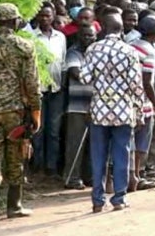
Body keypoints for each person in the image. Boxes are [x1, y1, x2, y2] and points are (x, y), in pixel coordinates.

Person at [0, 3, 42, 225]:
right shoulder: (24, 46)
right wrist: (35, 112)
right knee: (16, 157)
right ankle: (14, 206)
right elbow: (32, 84)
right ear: (15, 21)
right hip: (16, 111)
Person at [80, 13, 144, 212]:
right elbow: (136, 85)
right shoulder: (129, 51)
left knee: (98, 155)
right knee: (121, 154)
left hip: (99, 109)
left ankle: (97, 200)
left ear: (103, 29)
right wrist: (139, 109)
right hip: (122, 110)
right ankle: (119, 198)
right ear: (121, 29)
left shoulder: (93, 49)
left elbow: (84, 77)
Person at [129, 14, 155, 188]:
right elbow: (147, 82)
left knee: (130, 141)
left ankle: (132, 175)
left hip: (127, 101)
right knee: (142, 142)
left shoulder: (130, 46)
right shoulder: (149, 51)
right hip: (143, 102)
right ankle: (137, 175)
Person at [32, 5, 67, 179]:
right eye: (41, 15)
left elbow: (63, 63)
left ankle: (51, 167)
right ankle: (38, 166)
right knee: (38, 129)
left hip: (56, 89)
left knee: (54, 131)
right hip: (38, 90)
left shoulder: (60, 37)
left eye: (47, 16)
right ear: (37, 17)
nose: (44, 19)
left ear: (53, 17)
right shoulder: (31, 37)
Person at [63, 24, 97, 190]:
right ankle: (72, 178)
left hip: (96, 105)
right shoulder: (73, 52)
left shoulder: (97, 52)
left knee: (93, 144)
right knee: (75, 144)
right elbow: (75, 72)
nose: (88, 39)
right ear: (78, 37)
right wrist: (98, 75)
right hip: (78, 104)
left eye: (91, 35)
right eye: (85, 35)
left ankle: (90, 176)